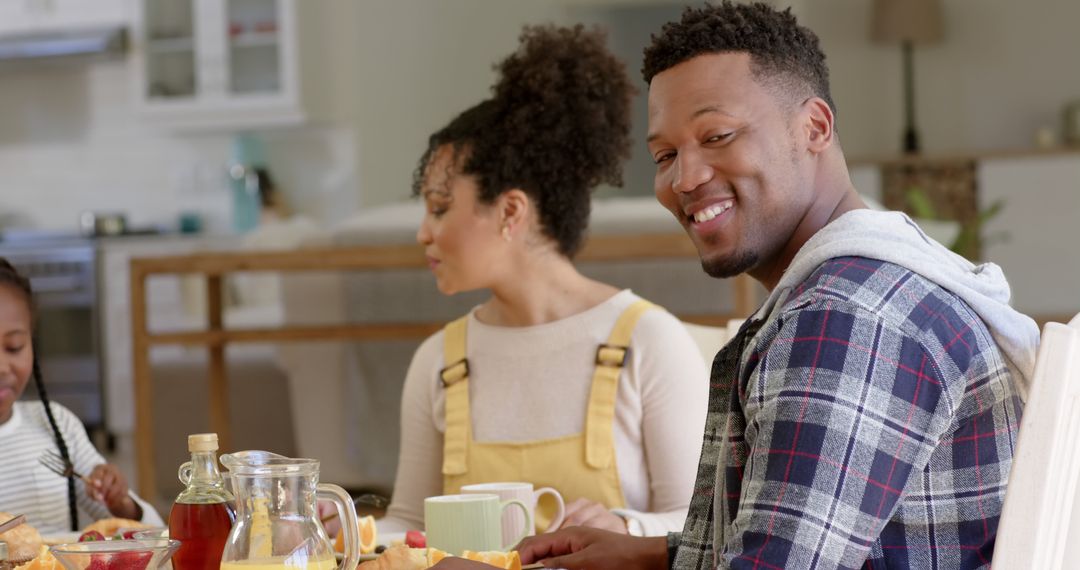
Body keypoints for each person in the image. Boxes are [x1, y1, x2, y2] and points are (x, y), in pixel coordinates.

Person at [505, 3, 1040, 569]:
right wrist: (652, 556)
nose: (684, 179)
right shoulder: (875, 285)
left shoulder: (847, 318)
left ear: (814, 127)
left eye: (717, 135)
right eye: (665, 155)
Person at [379, 24, 709, 539]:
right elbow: (409, 525)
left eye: (441, 209)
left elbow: (702, 527)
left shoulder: (648, 341)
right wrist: (350, 531)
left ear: (511, 210)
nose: (424, 232)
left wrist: (622, 525)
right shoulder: (439, 362)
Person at [0, 259, 163, 535]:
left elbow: (151, 533)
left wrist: (120, 501)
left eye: (14, 347)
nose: (2, 367)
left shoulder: (57, 425)